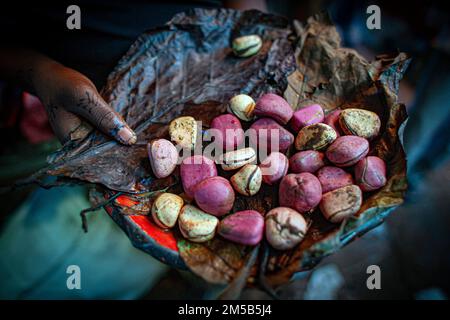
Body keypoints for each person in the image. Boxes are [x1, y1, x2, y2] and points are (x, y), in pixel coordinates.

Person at [0, 1, 267, 299]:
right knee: (40, 272)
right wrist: (42, 74)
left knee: (150, 260)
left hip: (215, 86)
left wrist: (251, 26)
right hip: (92, 137)